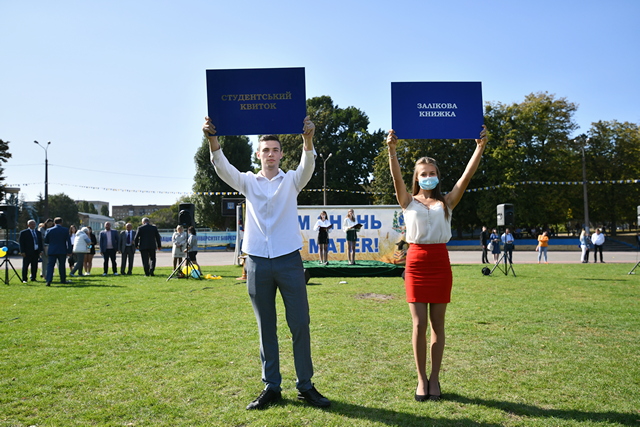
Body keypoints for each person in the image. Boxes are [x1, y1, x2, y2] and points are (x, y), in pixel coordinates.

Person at [203, 115, 330, 410]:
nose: (270, 155)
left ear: (282, 154)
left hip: (289, 260)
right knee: (266, 327)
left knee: (300, 323)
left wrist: (308, 140)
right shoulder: (248, 182)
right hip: (257, 261)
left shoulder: (292, 180)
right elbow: (222, 167)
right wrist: (212, 139)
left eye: (275, 150)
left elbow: (308, 165)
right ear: (258, 154)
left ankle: (305, 385)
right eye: (265, 150)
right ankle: (271, 386)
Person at [386, 125, 487, 401]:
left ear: (437, 177)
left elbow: (466, 177)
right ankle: (421, 379)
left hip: (441, 263)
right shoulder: (408, 201)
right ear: (416, 178)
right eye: (423, 174)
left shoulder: (447, 202)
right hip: (416, 264)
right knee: (419, 325)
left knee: (437, 326)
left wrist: (479, 148)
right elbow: (396, 178)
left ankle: (435, 379)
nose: (428, 177)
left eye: (432, 173)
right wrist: (392, 151)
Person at [44, 217, 73, 286]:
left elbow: (46, 240)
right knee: (62, 265)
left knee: (50, 265)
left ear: (54, 223)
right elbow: (68, 242)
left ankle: (48, 280)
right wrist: (69, 251)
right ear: (61, 222)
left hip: (52, 250)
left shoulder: (49, 230)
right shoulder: (65, 230)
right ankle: (63, 280)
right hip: (62, 250)